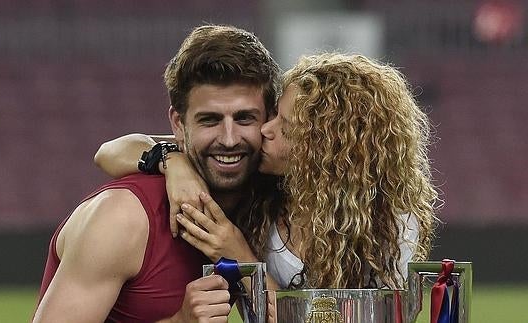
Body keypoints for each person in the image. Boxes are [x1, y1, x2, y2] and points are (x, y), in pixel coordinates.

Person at [95, 53, 438, 290]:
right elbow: (111, 151)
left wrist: (240, 257)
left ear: (324, 149)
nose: (265, 130)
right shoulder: (256, 180)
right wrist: (173, 161)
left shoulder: (389, 224)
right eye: (273, 115)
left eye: (286, 127)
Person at [33, 24, 280, 322]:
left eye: (244, 118)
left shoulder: (273, 205)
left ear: (269, 121)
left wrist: (239, 254)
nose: (228, 139)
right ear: (178, 124)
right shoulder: (122, 216)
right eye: (209, 120)